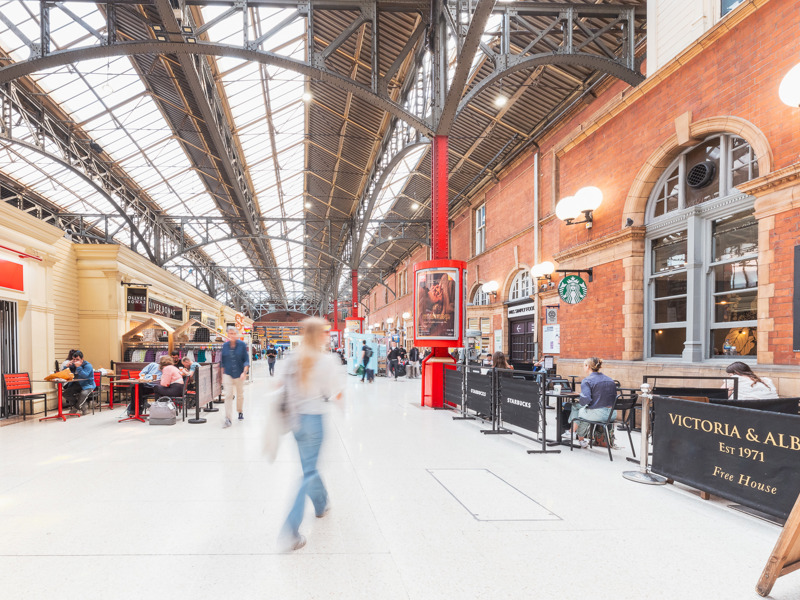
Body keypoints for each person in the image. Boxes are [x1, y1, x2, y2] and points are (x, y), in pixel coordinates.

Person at [277, 317, 344, 551]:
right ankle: (291, 529)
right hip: (314, 421)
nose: (328, 335)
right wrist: (341, 403)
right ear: (319, 335)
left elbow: (278, 385)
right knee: (308, 473)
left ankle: (321, 504)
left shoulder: (292, 357)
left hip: (296, 422)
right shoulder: (326, 360)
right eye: (325, 331)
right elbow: (335, 391)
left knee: (309, 467)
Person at [568, 357, 617, 449]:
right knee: (584, 411)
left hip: (598, 415)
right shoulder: (610, 380)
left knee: (578, 407)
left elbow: (586, 400)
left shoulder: (587, 380)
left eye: (584, 365)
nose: (583, 367)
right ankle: (580, 439)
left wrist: (581, 397)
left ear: (588, 366)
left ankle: (571, 432)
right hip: (612, 414)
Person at [220, 325, 250, 427]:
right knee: (228, 395)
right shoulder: (225, 346)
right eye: (230, 333)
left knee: (240, 394)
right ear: (227, 335)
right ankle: (228, 418)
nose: (232, 335)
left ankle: (240, 411)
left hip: (239, 373)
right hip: (228, 373)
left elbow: (246, 360)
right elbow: (222, 362)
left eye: (233, 333)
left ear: (236, 334)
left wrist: (244, 372)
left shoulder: (242, 345)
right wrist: (221, 375)